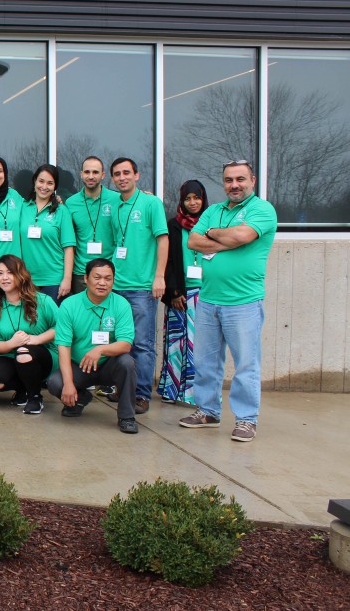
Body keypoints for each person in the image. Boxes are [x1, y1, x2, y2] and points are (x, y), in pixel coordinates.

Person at [180, 160, 277, 442]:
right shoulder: (213, 210)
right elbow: (193, 242)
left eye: (240, 179)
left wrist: (216, 234)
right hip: (209, 299)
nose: (234, 185)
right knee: (205, 361)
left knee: (246, 363)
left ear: (252, 180)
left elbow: (244, 235)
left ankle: (246, 419)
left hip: (243, 301)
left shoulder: (262, 210)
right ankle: (208, 411)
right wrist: (226, 239)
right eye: (229, 180)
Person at [47, 258, 139, 434]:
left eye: (108, 278)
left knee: (127, 363)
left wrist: (100, 349)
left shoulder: (121, 304)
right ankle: (79, 399)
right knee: (55, 383)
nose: (102, 283)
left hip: (109, 364)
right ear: (86, 278)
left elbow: (126, 345)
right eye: (97, 277)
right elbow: (63, 346)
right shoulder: (70, 305)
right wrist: (68, 383)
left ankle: (127, 417)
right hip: (80, 366)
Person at [108, 157, 168, 415]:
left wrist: (159, 276)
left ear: (137, 175)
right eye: (117, 174)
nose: (122, 178)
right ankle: (122, 387)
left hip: (142, 287)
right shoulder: (115, 206)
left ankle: (141, 393)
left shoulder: (151, 203)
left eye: (126, 173)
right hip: (116, 286)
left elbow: (162, 240)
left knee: (142, 343)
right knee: (118, 340)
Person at [0, 254, 58, 414]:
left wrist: (37, 339)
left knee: (24, 352)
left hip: (43, 356)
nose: (4, 277)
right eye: (0, 273)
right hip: (11, 355)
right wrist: (12, 343)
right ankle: (23, 389)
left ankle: (35, 397)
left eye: (10, 272)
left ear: (21, 275)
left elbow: (62, 327)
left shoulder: (42, 301)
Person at [158, 179, 208, 405]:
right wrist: (174, 292)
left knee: (201, 345)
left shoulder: (211, 224)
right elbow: (168, 262)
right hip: (181, 293)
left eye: (197, 198)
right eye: (188, 198)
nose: (193, 202)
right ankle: (171, 391)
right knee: (177, 344)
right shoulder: (173, 225)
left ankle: (196, 394)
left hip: (206, 293)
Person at [19, 164, 76, 304]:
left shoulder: (62, 211)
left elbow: (68, 248)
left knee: (53, 323)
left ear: (55, 186)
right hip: (26, 280)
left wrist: (67, 279)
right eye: (41, 181)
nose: (44, 186)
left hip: (54, 280)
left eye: (50, 183)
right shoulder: (22, 207)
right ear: (34, 182)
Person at [64, 156, 119, 296]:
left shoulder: (116, 199)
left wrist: (145, 196)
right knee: (82, 316)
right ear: (81, 174)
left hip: (109, 272)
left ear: (103, 175)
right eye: (87, 172)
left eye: (95, 172)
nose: (91, 176)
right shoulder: (71, 203)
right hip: (81, 273)